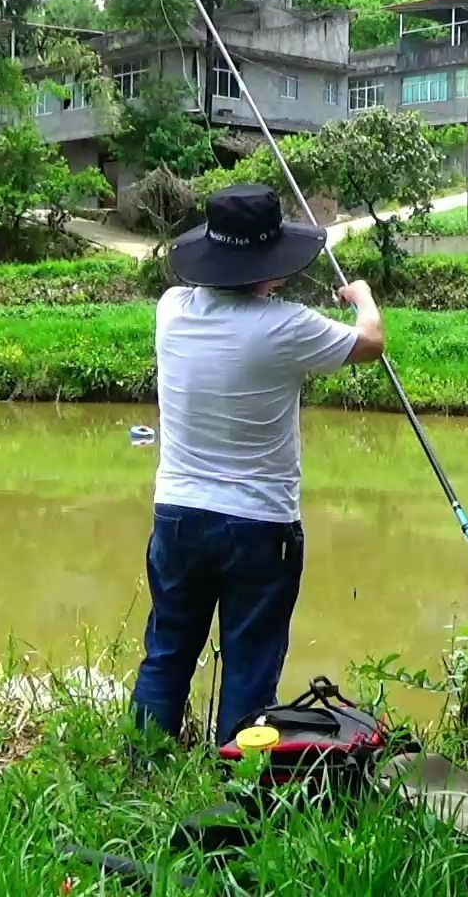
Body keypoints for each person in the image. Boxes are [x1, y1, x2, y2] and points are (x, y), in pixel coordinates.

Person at [131, 183, 385, 747]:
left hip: (177, 516)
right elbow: (370, 343)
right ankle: (238, 783)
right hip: (259, 527)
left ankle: (142, 767)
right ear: (269, 265)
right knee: (250, 664)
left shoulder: (171, 310)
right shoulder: (288, 326)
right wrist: (362, 296)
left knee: (167, 650)